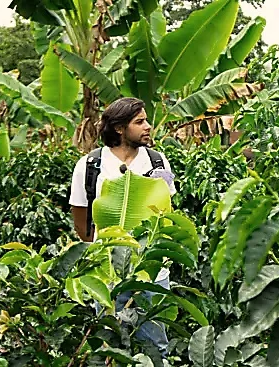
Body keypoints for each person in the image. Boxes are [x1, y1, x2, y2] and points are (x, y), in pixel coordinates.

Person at [69, 97, 176, 356]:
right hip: (108, 274)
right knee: (108, 347)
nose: (148, 126)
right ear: (119, 128)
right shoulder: (91, 165)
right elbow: (81, 220)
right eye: (139, 122)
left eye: (146, 120)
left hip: (151, 272)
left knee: (156, 345)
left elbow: (168, 210)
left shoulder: (157, 161)